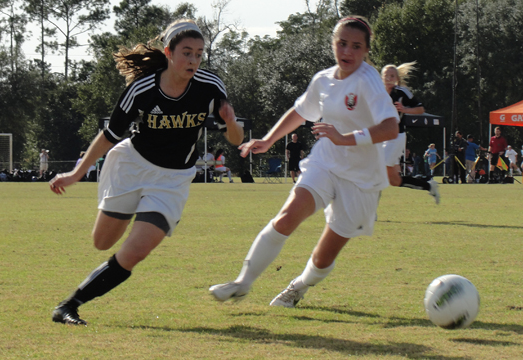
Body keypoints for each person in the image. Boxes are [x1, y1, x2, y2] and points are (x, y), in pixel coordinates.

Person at [48, 19, 244, 325]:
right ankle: (128, 210)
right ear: (168, 52)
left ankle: (68, 306)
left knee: (136, 251)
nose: (193, 60)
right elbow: (108, 135)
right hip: (131, 166)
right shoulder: (142, 88)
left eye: (199, 54)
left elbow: (235, 140)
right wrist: (75, 175)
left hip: (172, 179)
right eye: (186, 53)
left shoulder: (210, 87)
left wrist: (231, 124)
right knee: (102, 242)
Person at [209, 16, 400, 307]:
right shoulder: (322, 80)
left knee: (324, 258)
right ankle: (242, 284)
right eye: (342, 43)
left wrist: (344, 137)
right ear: (333, 44)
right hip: (325, 162)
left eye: (356, 46)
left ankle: (299, 285)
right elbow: (300, 112)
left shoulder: (368, 81)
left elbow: (390, 127)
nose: (347, 51)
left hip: (361, 178)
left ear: (365, 51)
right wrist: (269, 139)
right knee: (287, 215)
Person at [380, 63, 438, 201]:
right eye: (386, 75)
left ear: (396, 78)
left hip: (395, 137)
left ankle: (370, 211)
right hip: (380, 137)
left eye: (392, 75)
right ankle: (429, 186)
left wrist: (404, 109)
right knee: (394, 180)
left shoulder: (401, 92)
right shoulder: (376, 92)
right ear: (381, 77)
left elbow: (420, 109)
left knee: (377, 170)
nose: (388, 78)